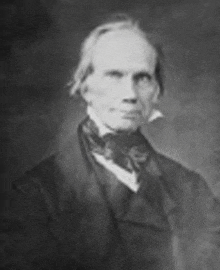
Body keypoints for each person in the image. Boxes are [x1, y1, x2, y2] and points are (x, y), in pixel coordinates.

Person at [1, 14, 220, 270]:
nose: (130, 94)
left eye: (143, 78)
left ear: (157, 91)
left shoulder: (191, 188)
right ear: (85, 87)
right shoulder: (36, 194)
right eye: (114, 75)